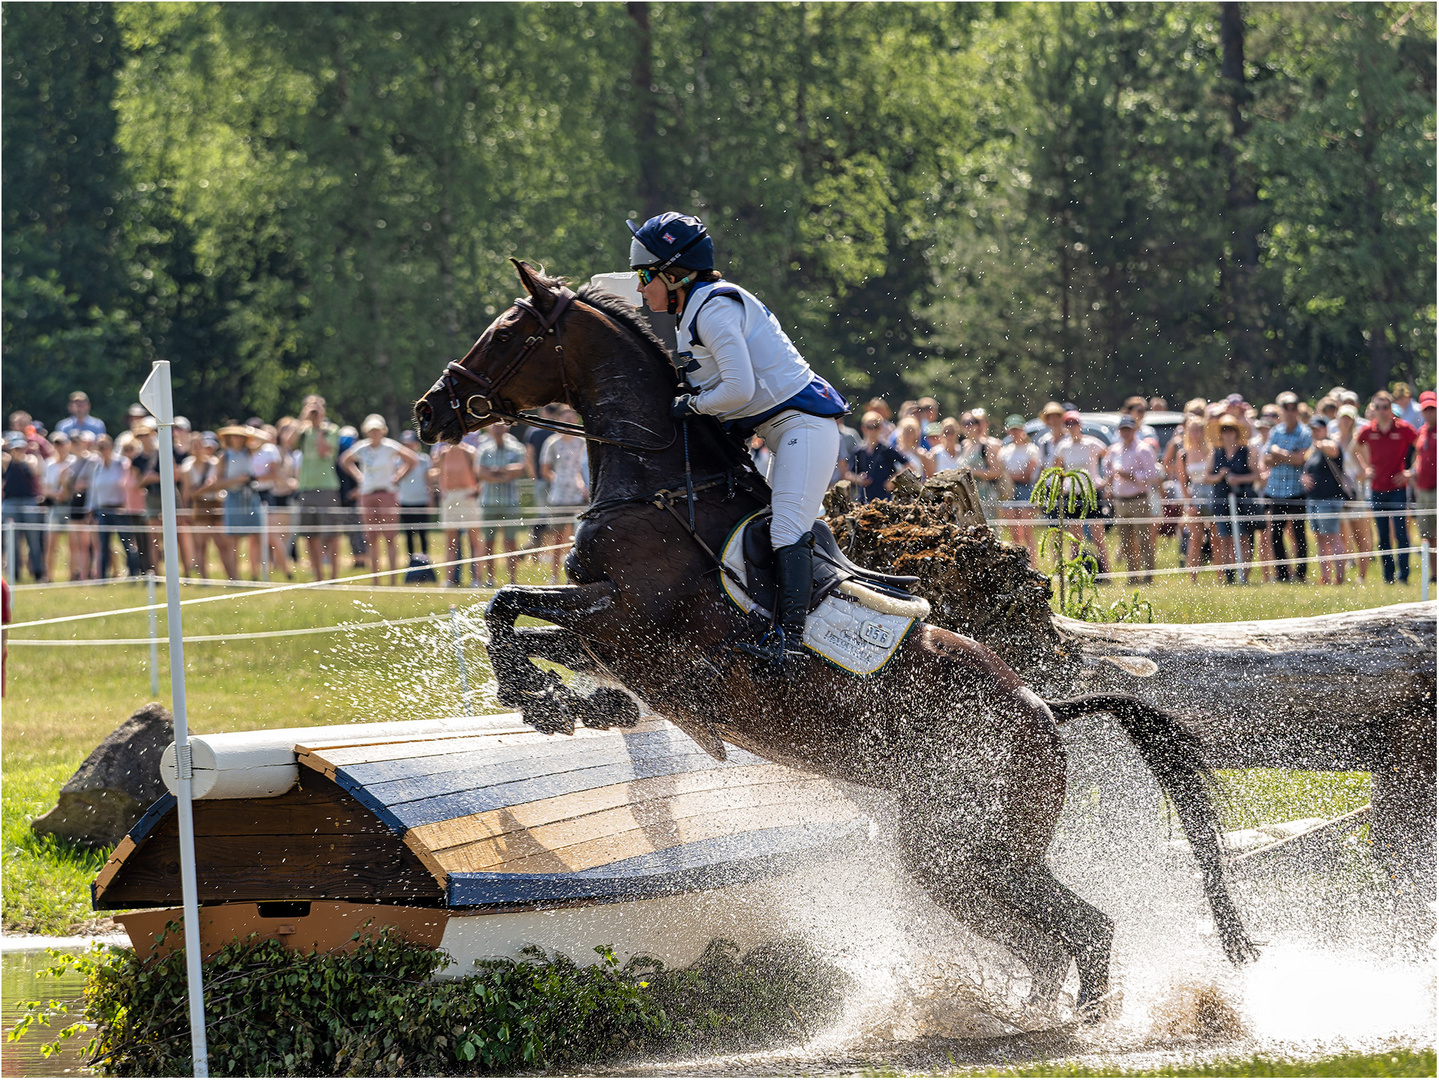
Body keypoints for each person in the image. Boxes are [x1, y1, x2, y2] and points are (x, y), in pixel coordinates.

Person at [629, 210, 848, 675]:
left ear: (673, 275)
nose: (640, 288)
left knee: (786, 531)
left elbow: (740, 391)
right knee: (763, 524)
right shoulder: (695, 307)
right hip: (780, 430)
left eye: (644, 276)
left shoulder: (713, 308)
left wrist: (689, 406)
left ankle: (788, 646)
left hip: (801, 426)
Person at [340, 415, 421, 585]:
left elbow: (412, 459)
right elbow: (345, 460)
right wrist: (359, 476)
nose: (374, 433)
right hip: (367, 494)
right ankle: (375, 579)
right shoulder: (361, 448)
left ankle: (392, 579)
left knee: (390, 537)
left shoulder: (390, 446)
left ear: (383, 430)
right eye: (371, 430)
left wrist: (398, 476)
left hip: (387, 493)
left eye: (377, 430)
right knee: (372, 538)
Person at [1354, 390, 1418, 585]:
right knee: (1382, 537)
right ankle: (1388, 576)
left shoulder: (1403, 428)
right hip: (1376, 488)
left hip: (1398, 489)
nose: (1381, 411)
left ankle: (1403, 576)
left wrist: (1410, 471)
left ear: (1391, 409)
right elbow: (1354, 449)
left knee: (1401, 533)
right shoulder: (1368, 430)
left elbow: (1421, 447)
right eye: (1377, 407)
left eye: (1385, 407)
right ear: (1373, 409)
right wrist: (1365, 469)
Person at [284, 395, 343, 580]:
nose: (314, 412)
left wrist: (318, 427)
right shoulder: (303, 431)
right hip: (306, 488)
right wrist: (302, 419)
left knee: (332, 535)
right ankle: (318, 577)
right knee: (310, 536)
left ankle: (333, 577)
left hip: (327, 487)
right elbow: (287, 442)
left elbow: (325, 451)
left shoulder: (331, 430)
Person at [1262, 392, 1312, 584]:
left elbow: (1302, 459)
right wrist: (1288, 456)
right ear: (1281, 411)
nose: (1290, 413)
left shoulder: (1305, 433)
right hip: (1276, 490)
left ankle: (1300, 574)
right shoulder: (1276, 431)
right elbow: (1267, 460)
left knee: (1299, 534)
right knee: (1276, 534)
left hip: (1297, 490)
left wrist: (1278, 453)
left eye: (1293, 409)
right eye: (1286, 409)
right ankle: (1282, 574)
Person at [1104, 415, 1160, 584]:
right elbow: (1107, 470)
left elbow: (1153, 474)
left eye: (1128, 429)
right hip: (1120, 500)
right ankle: (1132, 576)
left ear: (1134, 430)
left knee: (1143, 539)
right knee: (1126, 540)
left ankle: (1148, 576)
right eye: (1123, 430)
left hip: (1138, 499)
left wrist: (1131, 476)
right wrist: (1109, 485)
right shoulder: (1114, 450)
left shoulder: (1143, 449)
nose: (1125, 433)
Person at [475, 419, 530, 588]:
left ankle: (512, 579)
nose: (498, 430)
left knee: (510, 541)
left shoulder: (516, 448)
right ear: (490, 429)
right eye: (495, 427)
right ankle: (490, 578)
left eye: (501, 427)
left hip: (510, 502)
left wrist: (496, 472)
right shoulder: (484, 449)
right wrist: (504, 473)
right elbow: (480, 472)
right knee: (489, 541)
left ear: (506, 428)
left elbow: (520, 469)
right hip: (489, 502)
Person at [1054, 411, 1111, 574]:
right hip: (1072, 494)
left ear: (1080, 425)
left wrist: (1105, 480)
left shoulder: (1092, 443)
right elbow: (1058, 469)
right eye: (1068, 424)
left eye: (1074, 423)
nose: (1072, 427)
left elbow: (1110, 457)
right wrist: (1062, 486)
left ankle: (1107, 573)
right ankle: (1075, 572)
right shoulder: (1063, 446)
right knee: (1075, 539)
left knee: (1098, 536)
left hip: (1091, 491)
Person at [1205, 415, 1258, 584]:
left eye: (1231, 430)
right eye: (1224, 430)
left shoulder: (1246, 452)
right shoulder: (1216, 452)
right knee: (1225, 538)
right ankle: (1229, 575)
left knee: (1243, 538)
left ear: (1236, 433)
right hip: (1222, 499)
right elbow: (1206, 476)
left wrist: (1239, 479)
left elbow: (1257, 475)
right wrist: (1219, 476)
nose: (1228, 434)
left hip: (1242, 499)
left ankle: (1244, 576)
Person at [539, 412, 589, 585]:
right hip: (558, 497)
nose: (569, 422)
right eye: (565, 419)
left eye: (572, 418)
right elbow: (544, 469)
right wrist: (558, 480)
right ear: (559, 420)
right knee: (557, 538)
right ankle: (554, 576)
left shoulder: (582, 442)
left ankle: (576, 576)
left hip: (579, 496)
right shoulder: (552, 443)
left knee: (579, 538)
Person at [1301, 413, 1350, 586]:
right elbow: (1307, 469)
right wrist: (1303, 479)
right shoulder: (1312, 449)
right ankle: (1326, 577)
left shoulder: (1329, 444)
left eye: (1317, 429)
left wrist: (1319, 443)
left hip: (1329, 499)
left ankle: (1340, 578)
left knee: (1333, 538)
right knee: (1320, 539)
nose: (1314, 432)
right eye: (1312, 429)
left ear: (1326, 429)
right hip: (1314, 499)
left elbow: (1333, 449)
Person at [213, 425, 264, 580]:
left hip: (250, 495)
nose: (237, 439)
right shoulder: (224, 456)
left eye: (240, 436)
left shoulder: (248, 451)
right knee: (233, 540)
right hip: (233, 496)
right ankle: (235, 577)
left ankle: (255, 573)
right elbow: (218, 481)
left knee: (255, 536)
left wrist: (251, 431)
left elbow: (266, 439)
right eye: (234, 436)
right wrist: (237, 480)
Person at [1175, 417, 1219, 584]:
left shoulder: (1212, 450)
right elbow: (1182, 481)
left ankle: (1220, 576)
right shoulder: (1183, 454)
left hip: (1212, 495)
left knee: (1216, 538)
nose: (1195, 434)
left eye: (1198, 430)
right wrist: (1189, 502)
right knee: (1195, 538)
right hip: (1194, 498)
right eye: (1192, 430)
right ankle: (1193, 578)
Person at [2, 430, 46, 582]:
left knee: (33, 540)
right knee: (12, 541)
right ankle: (14, 573)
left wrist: (34, 452)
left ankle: (38, 572)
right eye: (16, 448)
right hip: (10, 502)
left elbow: (38, 471)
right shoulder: (6, 461)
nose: (18, 451)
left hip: (28, 502)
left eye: (20, 448)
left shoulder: (30, 460)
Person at [180, 433, 225, 578]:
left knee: (222, 543)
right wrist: (186, 511)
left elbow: (218, 485)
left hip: (216, 504)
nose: (197, 449)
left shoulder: (214, 463)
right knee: (200, 544)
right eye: (194, 446)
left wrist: (202, 489)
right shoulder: (187, 468)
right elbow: (187, 493)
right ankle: (204, 578)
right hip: (199, 506)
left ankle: (230, 577)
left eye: (199, 445)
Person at [999, 415, 1040, 566]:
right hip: (1010, 491)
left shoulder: (1031, 449)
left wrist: (1009, 476)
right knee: (1014, 532)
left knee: (1027, 532)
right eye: (1012, 430)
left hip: (1025, 490)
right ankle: (1019, 565)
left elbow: (1027, 476)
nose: (1015, 433)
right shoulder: (1005, 450)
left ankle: (1032, 565)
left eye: (1017, 429)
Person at [89, 434, 130, 579]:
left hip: (120, 509)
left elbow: (126, 486)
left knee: (127, 544)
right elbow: (93, 490)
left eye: (104, 447)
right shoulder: (97, 467)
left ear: (111, 447)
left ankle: (134, 573)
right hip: (102, 510)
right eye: (99, 447)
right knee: (103, 546)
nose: (102, 450)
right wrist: (91, 509)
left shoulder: (122, 463)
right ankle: (103, 577)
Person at [846, 411, 909, 503]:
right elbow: (848, 474)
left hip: (885, 498)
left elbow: (908, 465)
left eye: (876, 427)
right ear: (863, 428)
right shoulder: (859, 451)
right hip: (863, 498)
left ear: (881, 428)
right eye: (869, 427)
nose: (873, 431)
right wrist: (859, 479)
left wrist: (893, 481)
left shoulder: (887, 449)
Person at [396, 430, 433, 563]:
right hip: (405, 500)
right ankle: (411, 560)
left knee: (423, 533)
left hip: (421, 500)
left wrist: (431, 498)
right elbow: (397, 479)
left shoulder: (424, 459)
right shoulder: (397, 461)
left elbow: (428, 480)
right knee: (409, 534)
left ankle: (425, 559)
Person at [1413, 391, 1436, 581]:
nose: (1429, 413)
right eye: (1426, 409)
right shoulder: (1421, 432)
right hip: (1423, 489)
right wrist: (1411, 473)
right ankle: (1434, 574)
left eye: (1432, 409)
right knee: (1428, 536)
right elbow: (1419, 459)